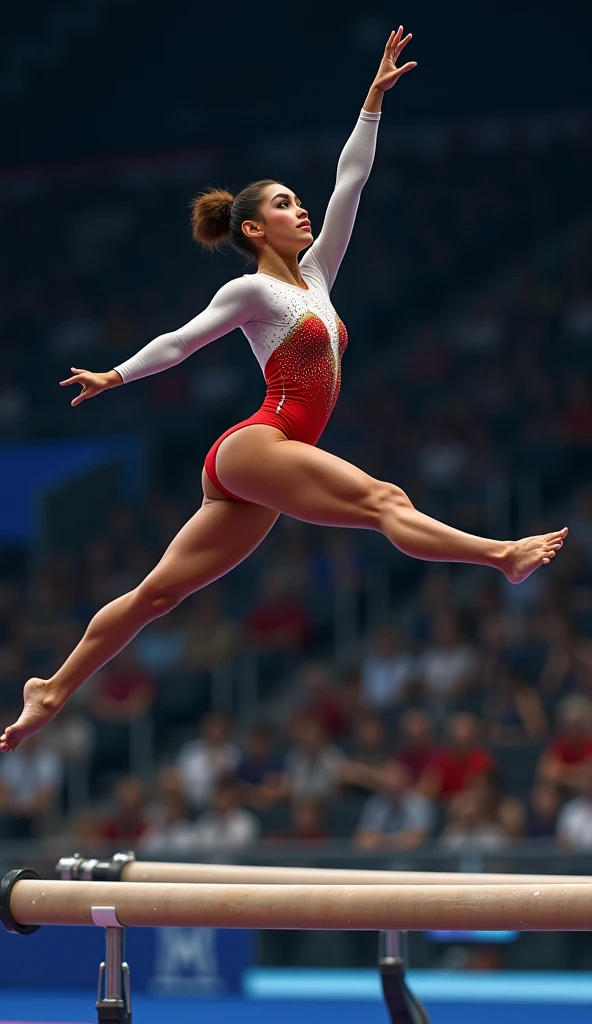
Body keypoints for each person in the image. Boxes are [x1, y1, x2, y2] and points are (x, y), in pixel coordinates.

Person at [1, 28, 568, 753]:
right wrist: (116, 373)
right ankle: (501, 556)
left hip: (261, 465)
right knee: (385, 500)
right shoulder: (253, 289)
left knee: (158, 594)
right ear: (252, 226)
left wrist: (371, 102)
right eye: (284, 204)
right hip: (258, 444)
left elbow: (351, 182)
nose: (302, 210)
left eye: (300, 202)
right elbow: (184, 338)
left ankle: (49, 688)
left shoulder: (319, 278)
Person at [354, 760, 433, 852]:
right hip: (376, 860)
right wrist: (400, 841)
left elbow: (416, 840)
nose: (391, 786)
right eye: (388, 784)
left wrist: (379, 841)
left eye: (395, 783)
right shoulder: (374, 803)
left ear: (405, 782)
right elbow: (363, 841)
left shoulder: (419, 804)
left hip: (411, 862)